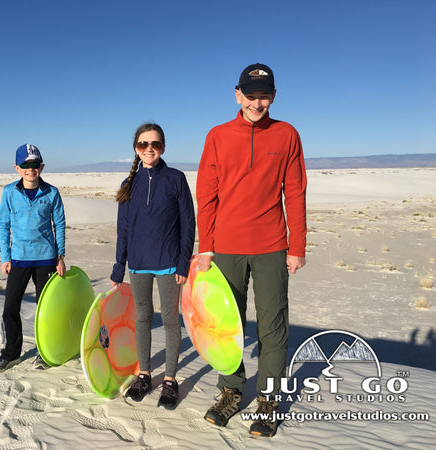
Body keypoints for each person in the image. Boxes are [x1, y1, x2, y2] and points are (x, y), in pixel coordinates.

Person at [196, 63, 307, 436]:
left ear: (272, 96)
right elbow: (206, 196)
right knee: (226, 326)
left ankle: (268, 401)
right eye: (251, 95)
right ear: (237, 94)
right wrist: (206, 247)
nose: (257, 103)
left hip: (271, 246)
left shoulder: (287, 134)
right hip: (226, 247)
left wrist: (297, 246)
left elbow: (295, 192)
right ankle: (230, 393)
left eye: (264, 96)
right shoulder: (218, 135)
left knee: (273, 328)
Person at [111, 123, 195, 410]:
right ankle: (144, 374)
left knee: (171, 319)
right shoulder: (129, 183)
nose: (149, 149)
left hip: (170, 263)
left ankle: (170, 379)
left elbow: (188, 223)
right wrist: (118, 266)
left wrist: (184, 261)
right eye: (144, 144)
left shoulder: (175, 179)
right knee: (143, 317)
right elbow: (123, 230)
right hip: (137, 264)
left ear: (163, 147)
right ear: (136, 148)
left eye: (155, 144)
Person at [0, 144, 66, 373]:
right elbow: (3, 224)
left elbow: (59, 224)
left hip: (46, 259)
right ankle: (10, 354)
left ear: (41, 167)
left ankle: (47, 353)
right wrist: (6, 257)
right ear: (17, 168)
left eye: (34, 165)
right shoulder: (9, 192)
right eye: (25, 165)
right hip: (19, 259)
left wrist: (60, 256)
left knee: (47, 309)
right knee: (10, 307)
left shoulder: (52, 192)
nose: (30, 169)